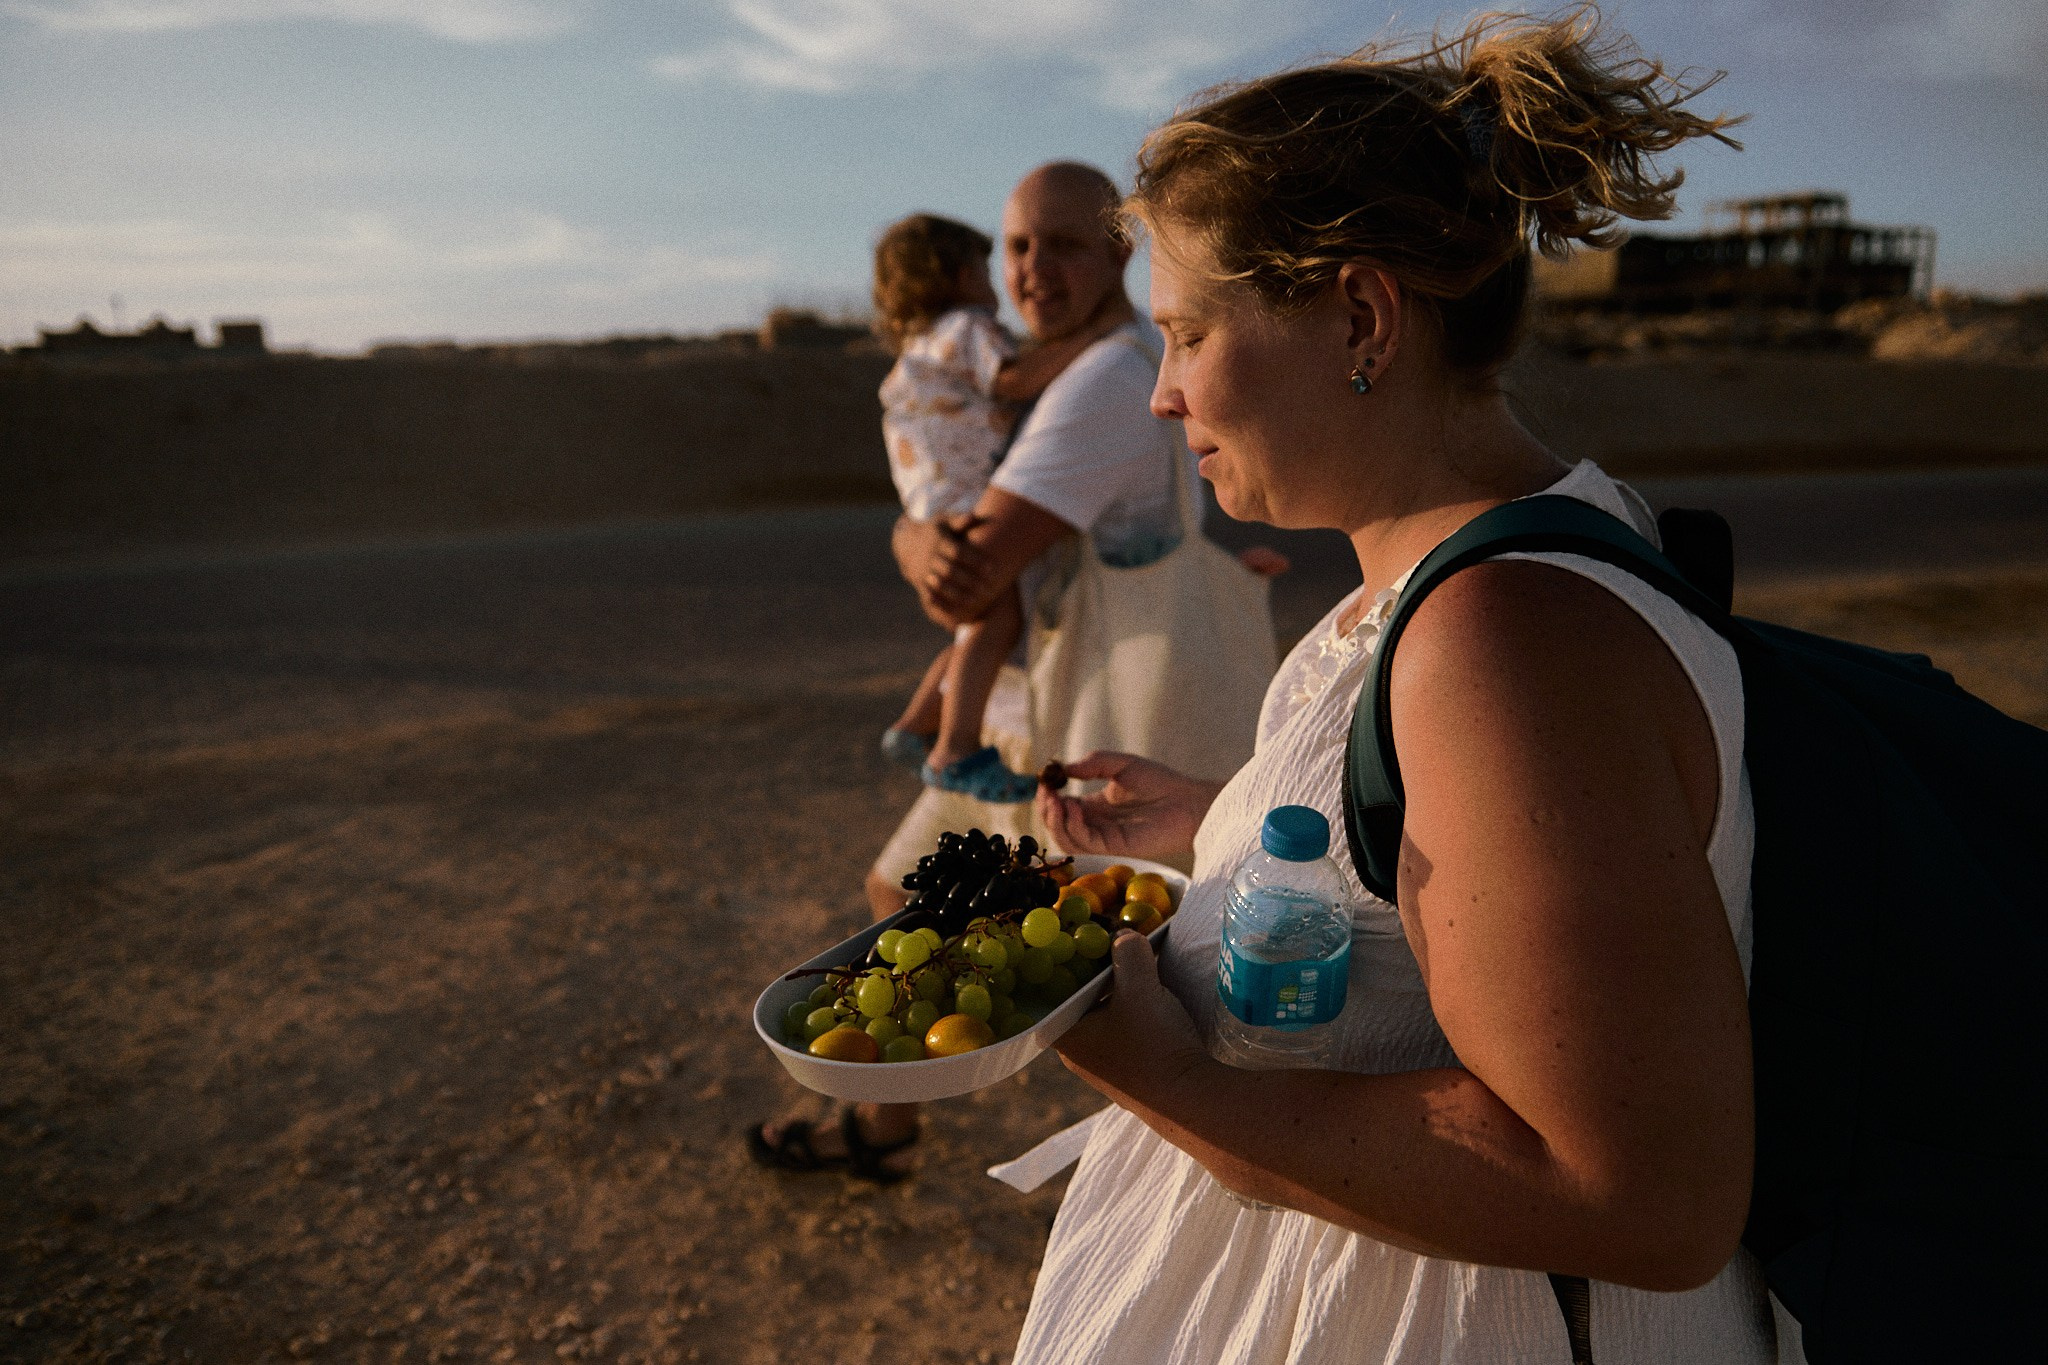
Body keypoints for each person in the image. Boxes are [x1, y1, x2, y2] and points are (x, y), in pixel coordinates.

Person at [1017, 10, 1804, 1364]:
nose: (1161, 395)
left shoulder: (1505, 632)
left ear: (1361, 314)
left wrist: (1161, 1073)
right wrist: (1225, 822)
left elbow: (1638, 1192)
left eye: (1189, 333)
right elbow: (1468, 888)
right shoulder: (1458, 578)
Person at [749, 162, 1280, 1183]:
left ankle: (1177, 1178)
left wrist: (917, 543)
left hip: (1087, 730)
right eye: (1018, 246)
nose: (1033, 268)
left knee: (1115, 981)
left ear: (1119, 254)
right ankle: (891, 1126)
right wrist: (918, 534)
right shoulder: (1117, 362)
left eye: (1065, 243)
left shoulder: (1103, 378)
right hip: (1053, 706)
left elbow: (966, 581)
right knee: (936, 902)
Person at [870, 212, 1121, 803]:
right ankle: (954, 748)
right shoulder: (968, 327)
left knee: (976, 627)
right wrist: (1093, 338)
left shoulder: (921, 345)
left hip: (930, 495)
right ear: (959, 275)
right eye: (989, 266)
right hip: (960, 491)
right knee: (997, 617)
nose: (998, 284)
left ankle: (915, 723)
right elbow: (1012, 380)